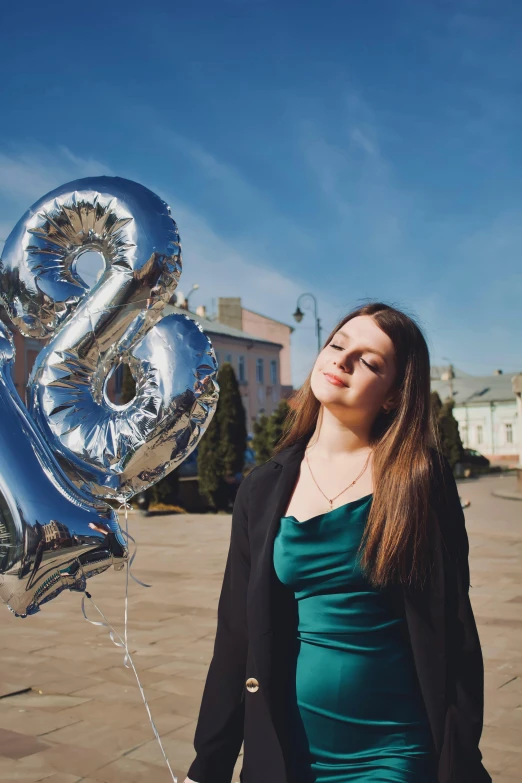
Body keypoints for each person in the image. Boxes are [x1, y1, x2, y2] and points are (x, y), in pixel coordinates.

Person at [184, 302, 491, 783]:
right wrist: (209, 767)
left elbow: (455, 632)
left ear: (392, 396)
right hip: (286, 753)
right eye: (337, 344)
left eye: (369, 361)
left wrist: (461, 760)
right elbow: (235, 637)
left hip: (395, 751)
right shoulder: (263, 486)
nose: (342, 361)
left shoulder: (419, 479)